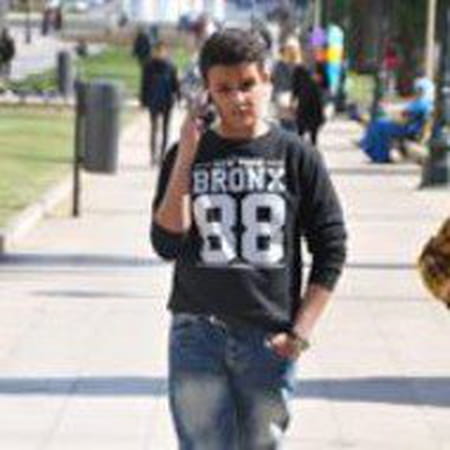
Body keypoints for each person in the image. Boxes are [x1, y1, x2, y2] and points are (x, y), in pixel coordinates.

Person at [150, 28, 347, 449]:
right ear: (207, 92)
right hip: (197, 333)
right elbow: (166, 243)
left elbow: (331, 247)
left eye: (247, 84)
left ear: (267, 81)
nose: (239, 98)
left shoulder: (297, 156)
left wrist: (300, 331)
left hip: (268, 337)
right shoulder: (187, 154)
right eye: (224, 89)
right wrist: (186, 155)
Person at [358, 76, 435, 163]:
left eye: (419, 89)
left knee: (378, 126)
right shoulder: (427, 103)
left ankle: (379, 155)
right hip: (413, 129)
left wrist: (391, 116)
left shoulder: (420, 103)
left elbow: (403, 117)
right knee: (379, 124)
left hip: (408, 129)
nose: (416, 92)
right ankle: (373, 149)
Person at [140, 41, 179, 166]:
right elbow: (144, 84)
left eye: (162, 51)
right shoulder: (148, 66)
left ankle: (163, 156)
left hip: (167, 101)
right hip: (154, 101)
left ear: (166, 52)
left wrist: (178, 97)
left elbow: (175, 85)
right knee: (154, 128)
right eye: (157, 51)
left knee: (165, 129)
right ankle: (153, 155)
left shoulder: (171, 66)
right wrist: (143, 101)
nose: (159, 53)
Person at [291, 46, 325, 146]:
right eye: (307, 54)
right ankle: (300, 146)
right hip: (303, 101)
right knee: (300, 127)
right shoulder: (299, 69)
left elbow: (326, 84)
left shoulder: (320, 67)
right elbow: (295, 86)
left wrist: (320, 80)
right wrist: (293, 99)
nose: (310, 56)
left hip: (316, 101)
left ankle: (313, 145)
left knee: (314, 127)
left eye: (312, 53)